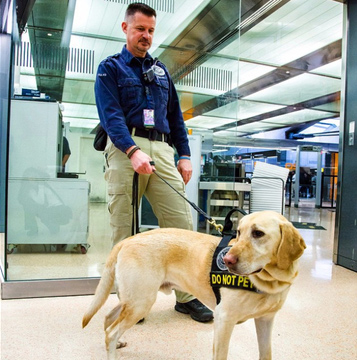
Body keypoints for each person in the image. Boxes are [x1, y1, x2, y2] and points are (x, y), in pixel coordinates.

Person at [94, 2, 213, 323]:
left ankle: (187, 296)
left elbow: (176, 117)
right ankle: (131, 300)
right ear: (125, 28)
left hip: (162, 150)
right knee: (125, 226)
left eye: (150, 30)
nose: (146, 36)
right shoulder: (110, 68)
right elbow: (111, 116)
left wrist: (184, 155)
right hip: (124, 148)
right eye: (140, 29)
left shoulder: (161, 72)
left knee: (181, 227)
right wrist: (133, 151)